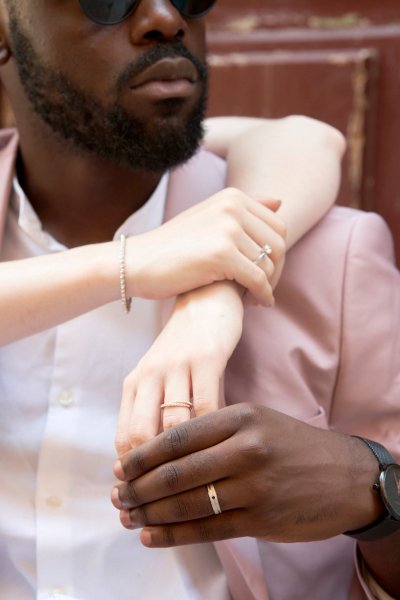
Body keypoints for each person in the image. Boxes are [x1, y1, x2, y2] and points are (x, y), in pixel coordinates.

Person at [0, 2, 397, 600]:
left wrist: (375, 494)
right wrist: (134, 263)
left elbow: (306, 137)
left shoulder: (336, 257)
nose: (165, 16)